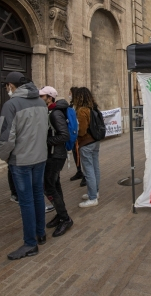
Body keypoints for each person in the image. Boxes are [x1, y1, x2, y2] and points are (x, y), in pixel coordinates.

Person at [0, 72, 48, 260]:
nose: (7, 89)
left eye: (7, 86)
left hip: (21, 160)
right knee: (37, 196)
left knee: (26, 200)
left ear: (11, 86)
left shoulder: (11, 105)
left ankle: (30, 243)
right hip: (39, 157)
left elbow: (6, 136)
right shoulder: (41, 102)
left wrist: (4, 156)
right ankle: (40, 234)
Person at [40, 86, 74, 236]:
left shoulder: (55, 114)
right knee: (55, 185)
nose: (40, 98)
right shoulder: (50, 111)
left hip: (56, 156)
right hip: (53, 155)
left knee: (48, 187)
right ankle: (61, 215)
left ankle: (65, 218)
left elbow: (64, 135)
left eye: (42, 96)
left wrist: (45, 141)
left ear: (49, 98)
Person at [73, 87, 101, 208]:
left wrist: (75, 133)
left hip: (86, 143)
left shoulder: (82, 111)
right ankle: (95, 192)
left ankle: (93, 197)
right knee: (95, 168)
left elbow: (82, 130)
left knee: (89, 170)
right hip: (95, 141)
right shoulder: (93, 108)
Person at [68, 86, 85, 187]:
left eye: (70, 93)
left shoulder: (80, 107)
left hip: (80, 135)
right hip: (74, 135)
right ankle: (79, 171)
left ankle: (85, 176)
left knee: (82, 155)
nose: (69, 95)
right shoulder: (71, 106)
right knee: (75, 153)